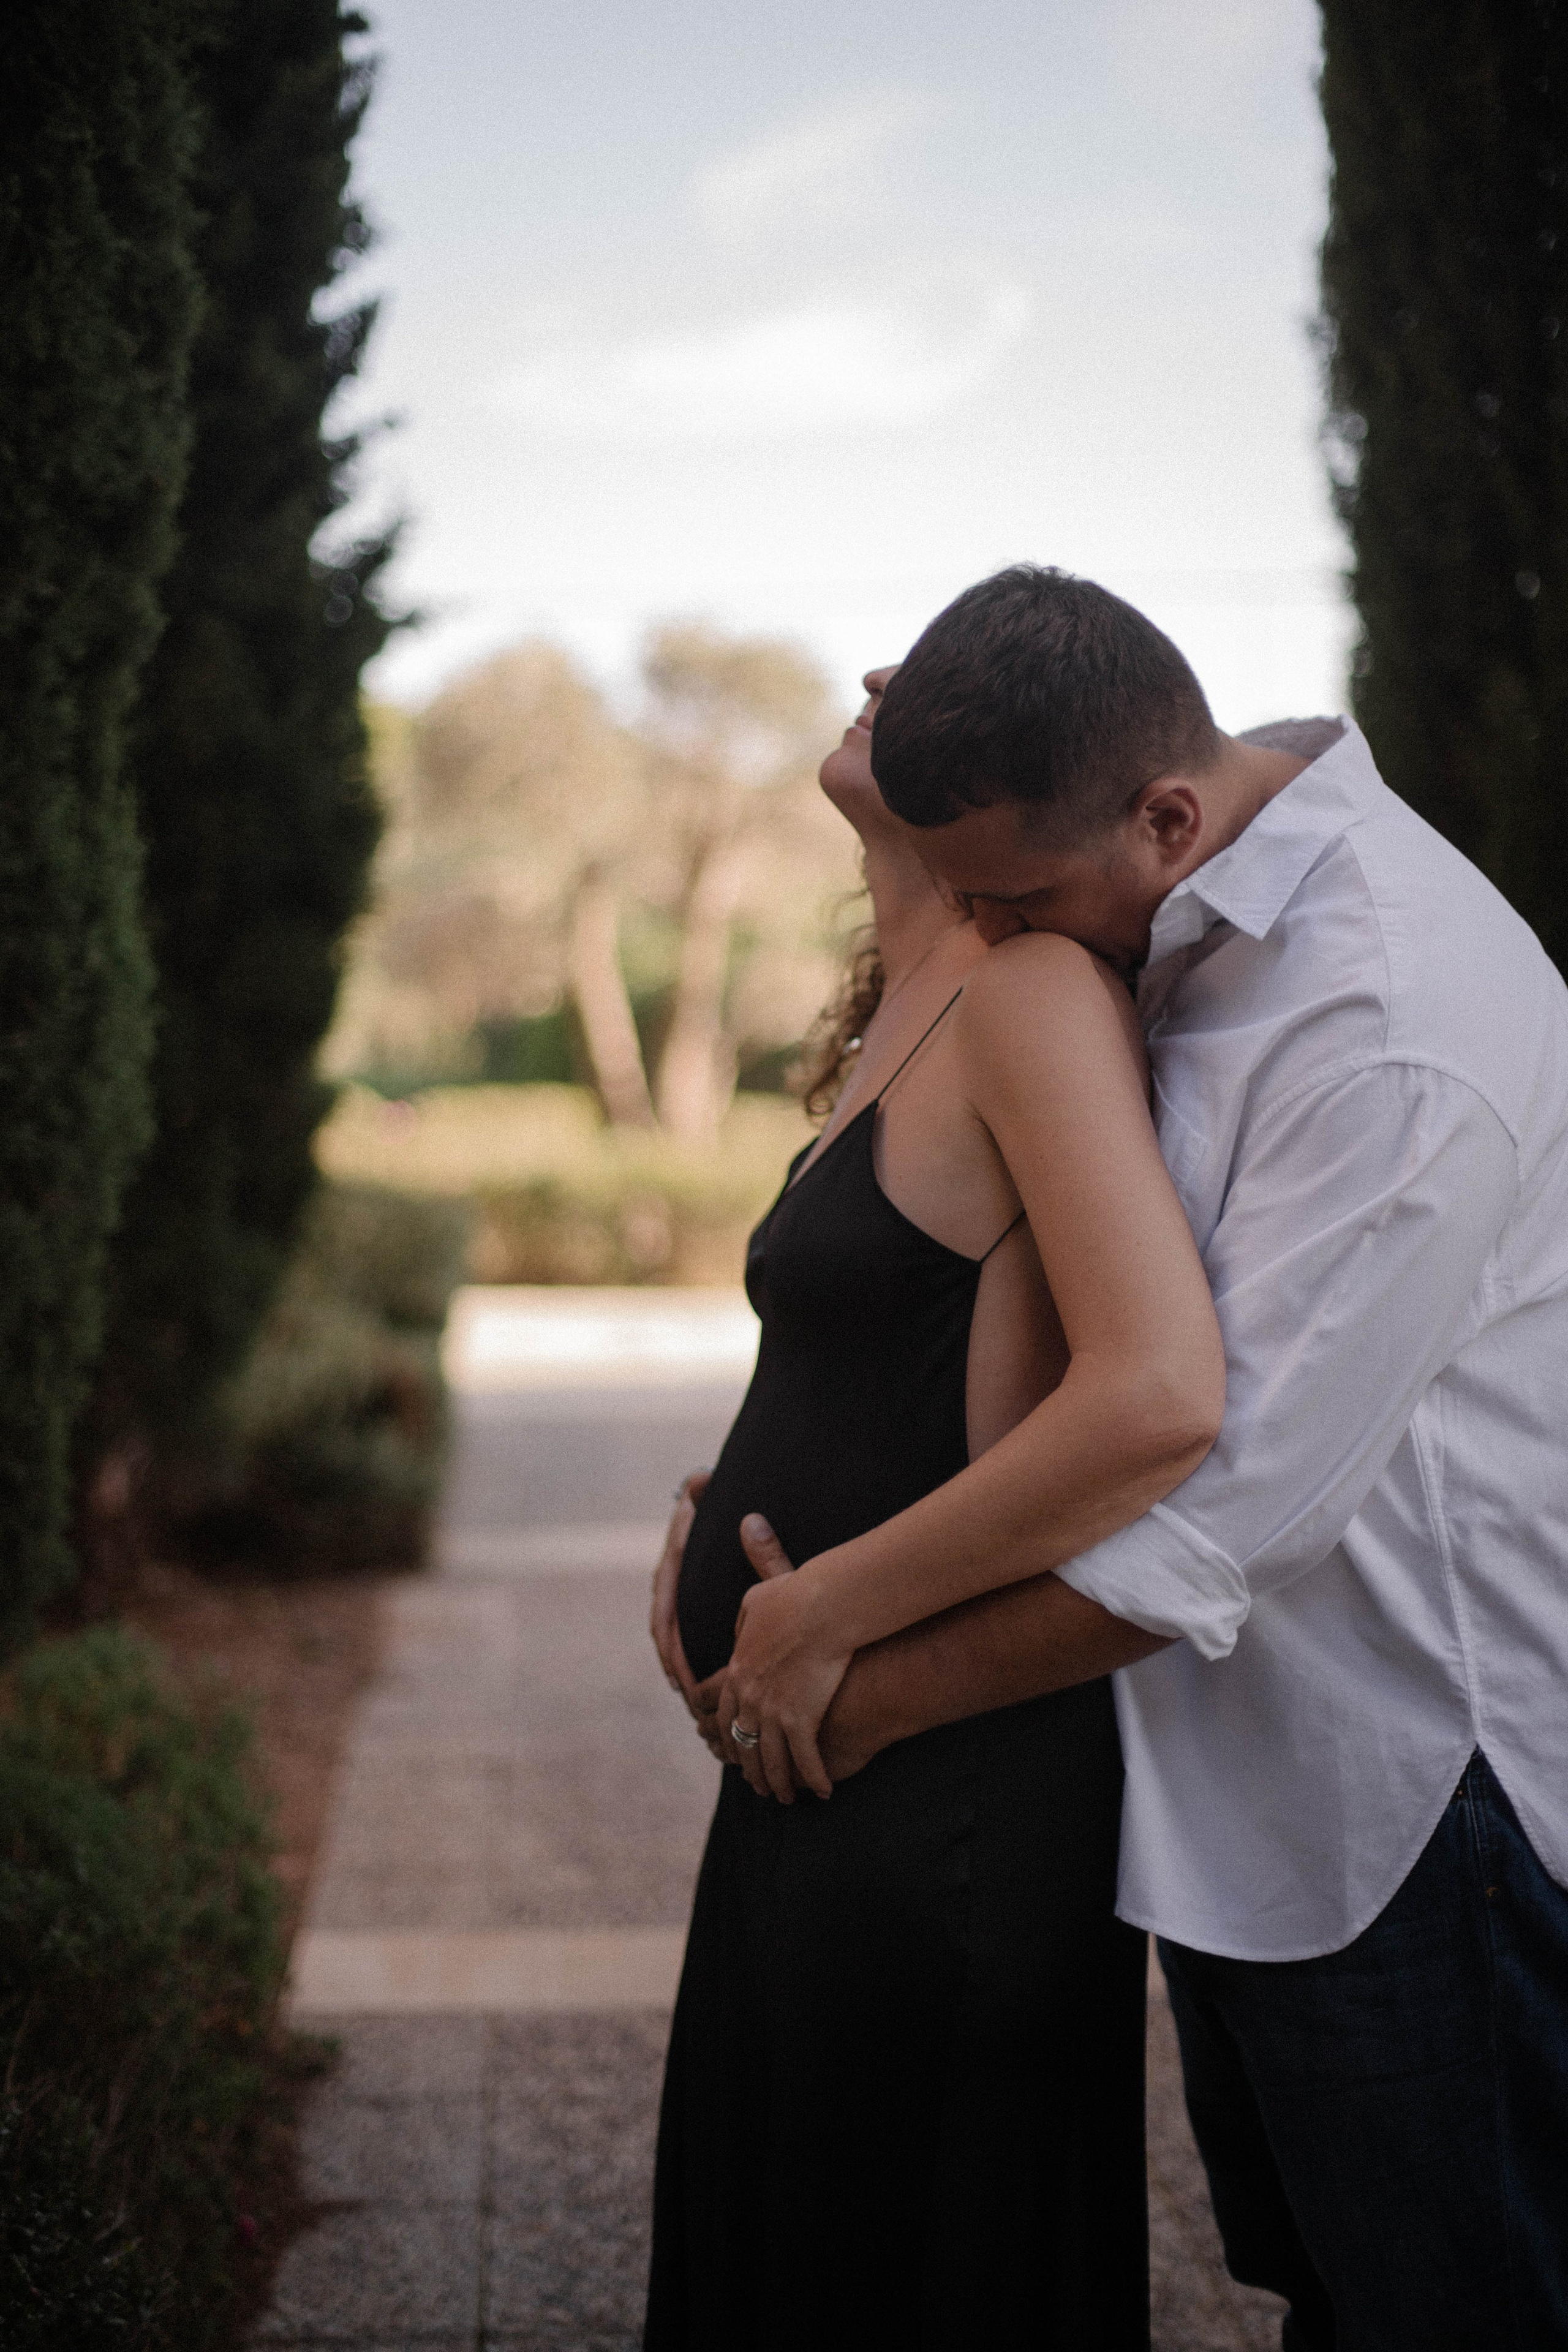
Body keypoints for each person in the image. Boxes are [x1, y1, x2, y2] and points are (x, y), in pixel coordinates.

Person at [691, 567, 1568, 2351]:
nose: (992, 931)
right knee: (1331, 2289)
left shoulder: (1391, 1011)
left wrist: (849, 1675)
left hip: (1410, 1797)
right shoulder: (1172, 903)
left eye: (1011, 896)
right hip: (1225, 1787)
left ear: (1168, 814)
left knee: (1451, 2311)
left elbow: (1219, 1511)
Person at [643, 661, 1226, 2350]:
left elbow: (1148, 1388)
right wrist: (712, 1533)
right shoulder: (893, 1009)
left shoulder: (1030, 993)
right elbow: (877, 1361)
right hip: (812, 1756)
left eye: (949, 682)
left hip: (940, 1780)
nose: (890, 682)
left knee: (907, 2275)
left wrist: (817, 1608)